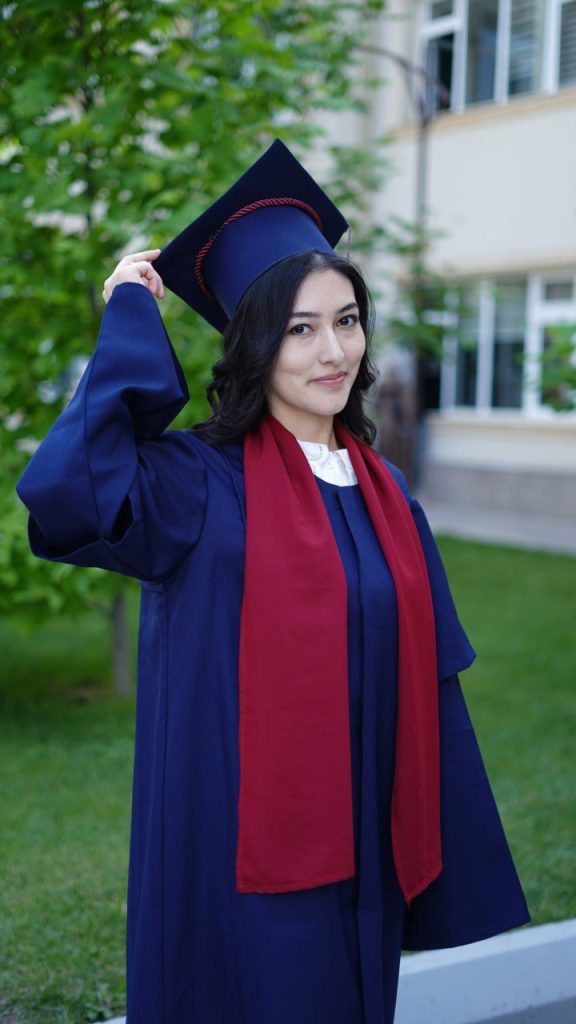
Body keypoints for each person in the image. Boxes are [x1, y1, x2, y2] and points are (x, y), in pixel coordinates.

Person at [16, 139, 530, 1024]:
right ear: (255, 344)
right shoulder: (195, 483)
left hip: (365, 834)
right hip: (240, 839)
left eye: (348, 319)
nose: (333, 351)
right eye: (300, 328)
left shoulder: (385, 491)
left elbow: (429, 677)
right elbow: (70, 502)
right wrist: (130, 320)